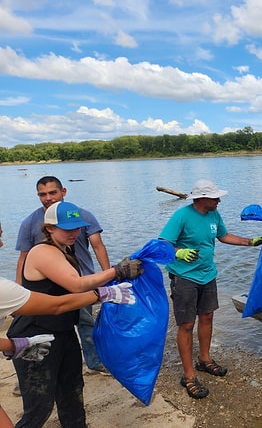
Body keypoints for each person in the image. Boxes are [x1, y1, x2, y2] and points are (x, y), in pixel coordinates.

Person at [7, 201, 143, 428]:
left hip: (63, 333)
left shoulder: (65, 249)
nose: (74, 233)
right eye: (67, 228)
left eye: (77, 227)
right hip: (34, 337)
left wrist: (111, 284)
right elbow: (77, 285)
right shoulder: (41, 252)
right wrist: (115, 272)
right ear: (49, 228)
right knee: (39, 408)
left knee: (72, 393)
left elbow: (76, 290)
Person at [159, 179, 262, 400]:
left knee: (207, 316)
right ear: (202, 199)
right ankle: (188, 376)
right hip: (184, 276)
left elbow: (224, 236)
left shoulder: (214, 215)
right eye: (215, 197)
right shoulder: (182, 215)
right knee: (187, 324)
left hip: (208, 274)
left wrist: (250, 242)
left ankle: (204, 360)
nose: (219, 200)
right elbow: (163, 243)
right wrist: (178, 252)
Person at [0, 277, 135, 428]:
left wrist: (13, 346)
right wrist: (102, 292)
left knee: (72, 397)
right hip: (38, 330)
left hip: (62, 333)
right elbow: (58, 304)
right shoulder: (3, 288)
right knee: (39, 408)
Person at [15, 176, 110, 374]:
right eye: (43, 194)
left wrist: (108, 276)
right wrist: (19, 291)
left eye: (53, 192)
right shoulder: (29, 222)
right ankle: (32, 371)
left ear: (63, 192)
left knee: (86, 322)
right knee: (45, 329)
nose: (48, 198)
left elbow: (98, 246)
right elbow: (23, 258)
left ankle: (94, 361)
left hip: (84, 279)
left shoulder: (83, 216)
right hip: (51, 287)